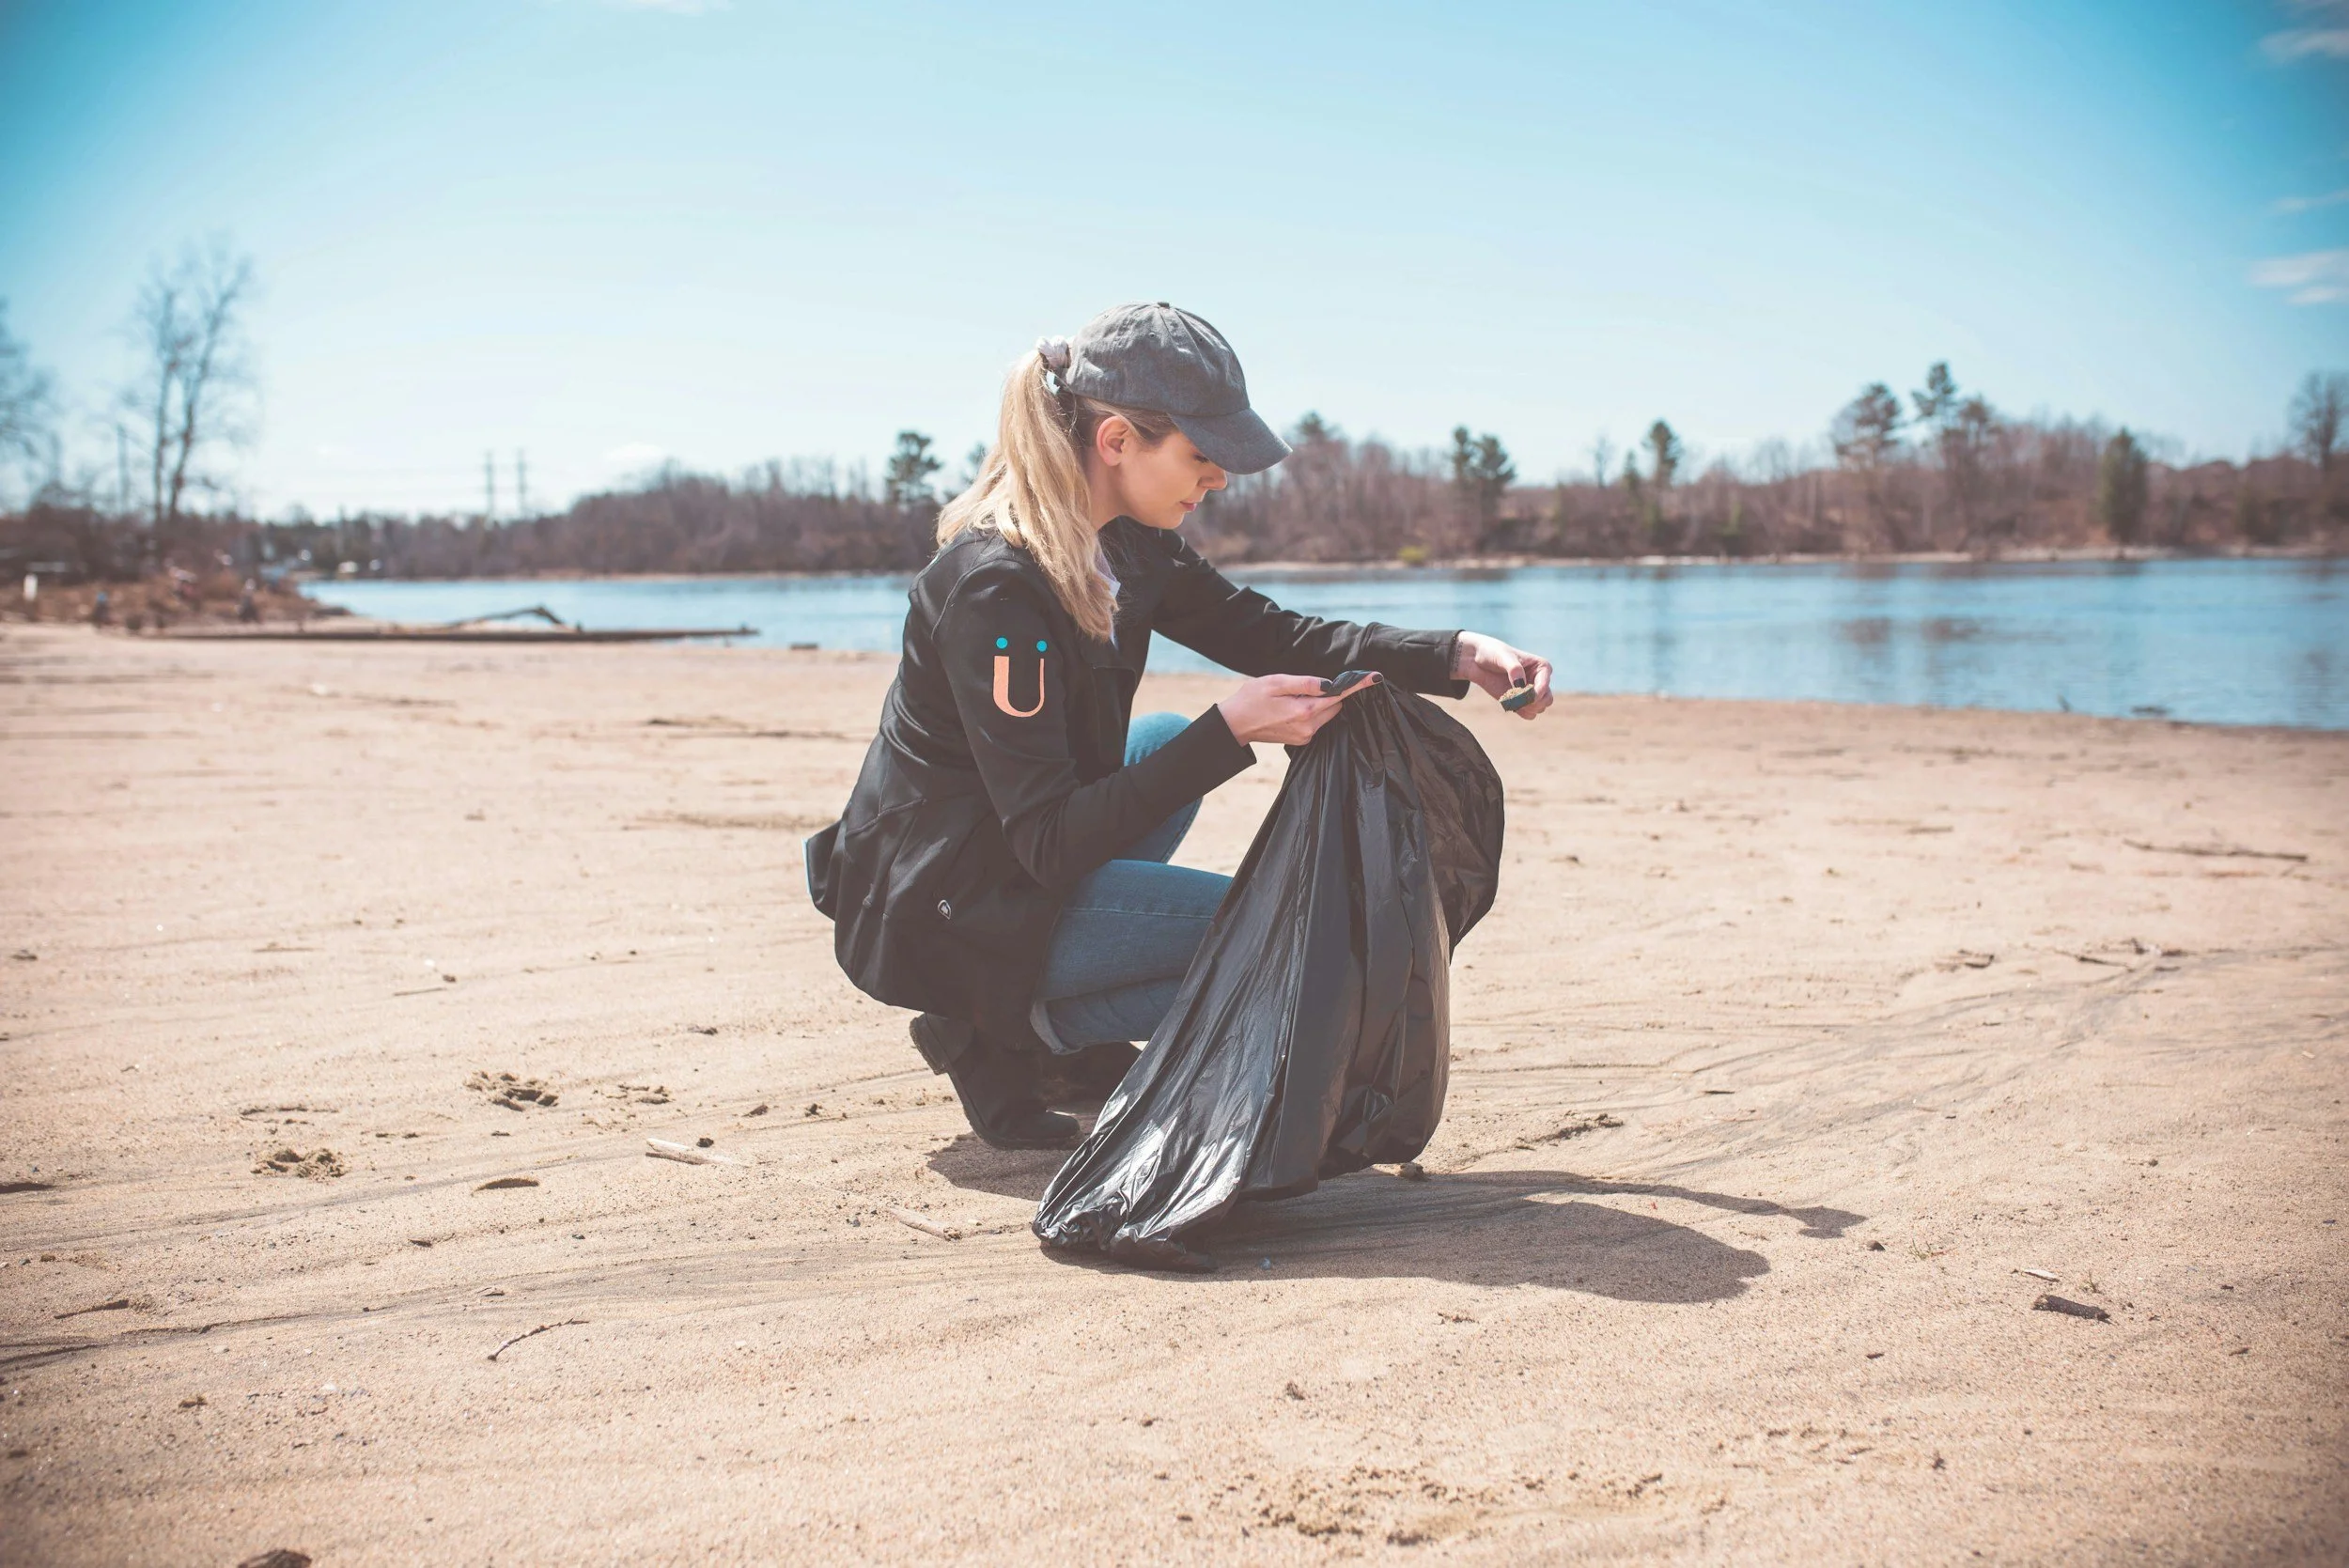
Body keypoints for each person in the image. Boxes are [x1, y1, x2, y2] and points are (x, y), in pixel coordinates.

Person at [804, 303, 1554, 1150]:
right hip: (944, 905)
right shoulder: (996, 590)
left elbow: (1275, 635)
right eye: (1202, 456)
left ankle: (1024, 1024)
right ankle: (1009, 1022)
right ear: (1117, 441)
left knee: (1156, 738)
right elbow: (1049, 840)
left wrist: (1455, 654)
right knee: (1279, 940)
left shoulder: (1127, 542)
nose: (1221, 479)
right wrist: (1231, 730)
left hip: (1000, 855)